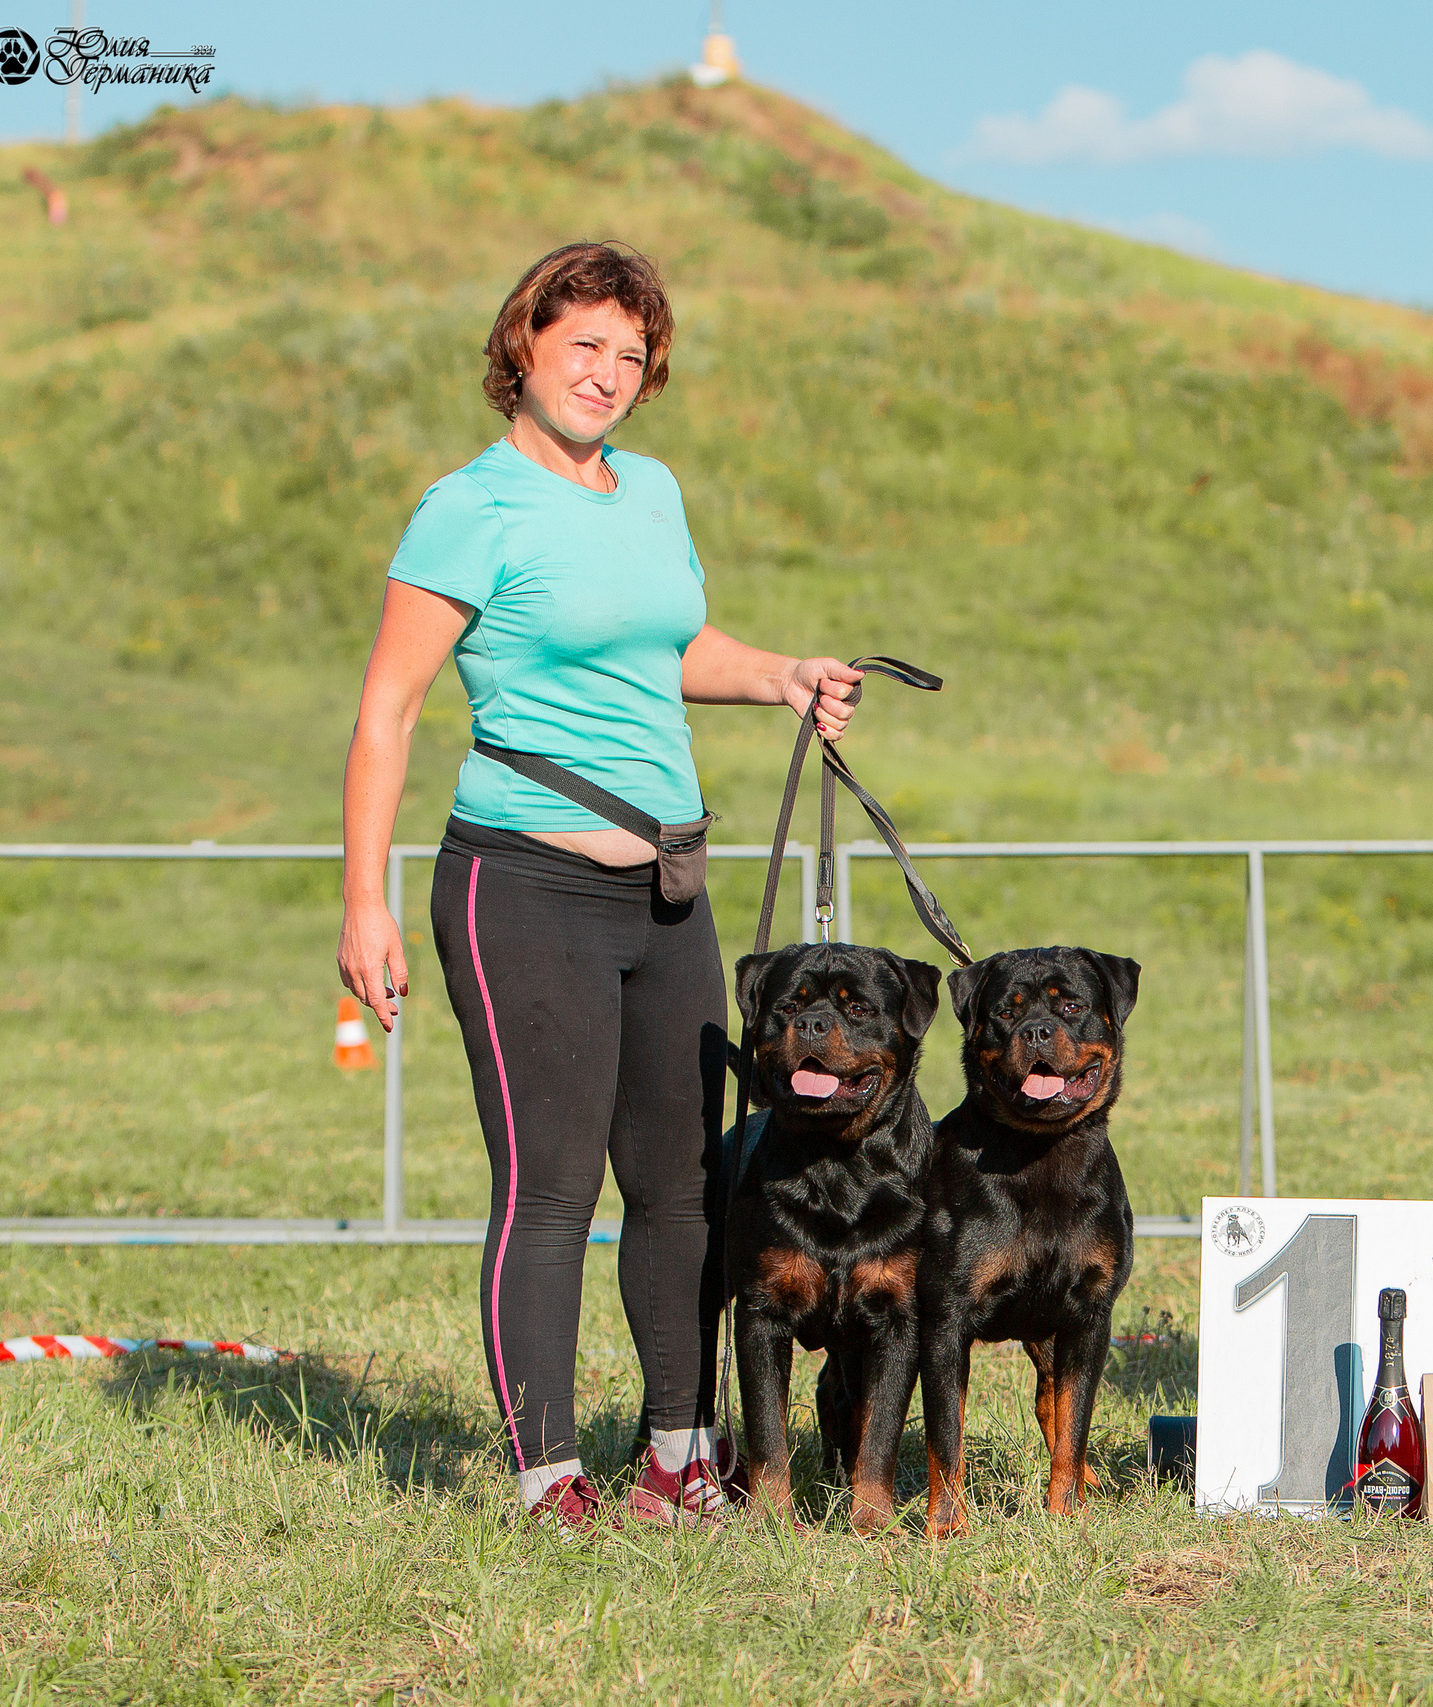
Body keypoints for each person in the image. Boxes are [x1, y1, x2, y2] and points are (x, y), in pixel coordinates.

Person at [337, 242, 865, 1533]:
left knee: (686, 1182)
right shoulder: (470, 505)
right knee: (552, 1186)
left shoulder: (652, 492)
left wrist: (782, 672)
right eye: (584, 344)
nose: (608, 374)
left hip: (668, 890)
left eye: (632, 355)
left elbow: (672, 643)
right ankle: (547, 1476)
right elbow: (390, 706)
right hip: (521, 882)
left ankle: (679, 1456)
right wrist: (365, 902)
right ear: (522, 347)